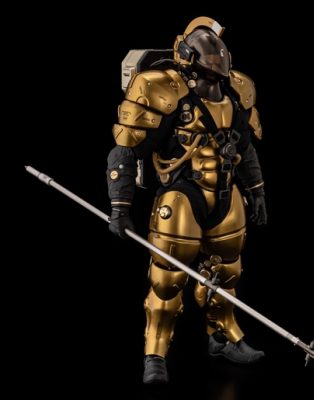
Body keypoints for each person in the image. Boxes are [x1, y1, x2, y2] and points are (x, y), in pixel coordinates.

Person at [106, 16, 267, 384]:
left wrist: (256, 190)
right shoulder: (160, 89)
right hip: (182, 195)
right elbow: (125, 151)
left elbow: (244, 147)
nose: (215, 68)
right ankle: (155, 355)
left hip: (226, 193)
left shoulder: (237, 90)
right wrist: (120, 205)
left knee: (227, 272)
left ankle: (222, 338)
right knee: (167, 279)